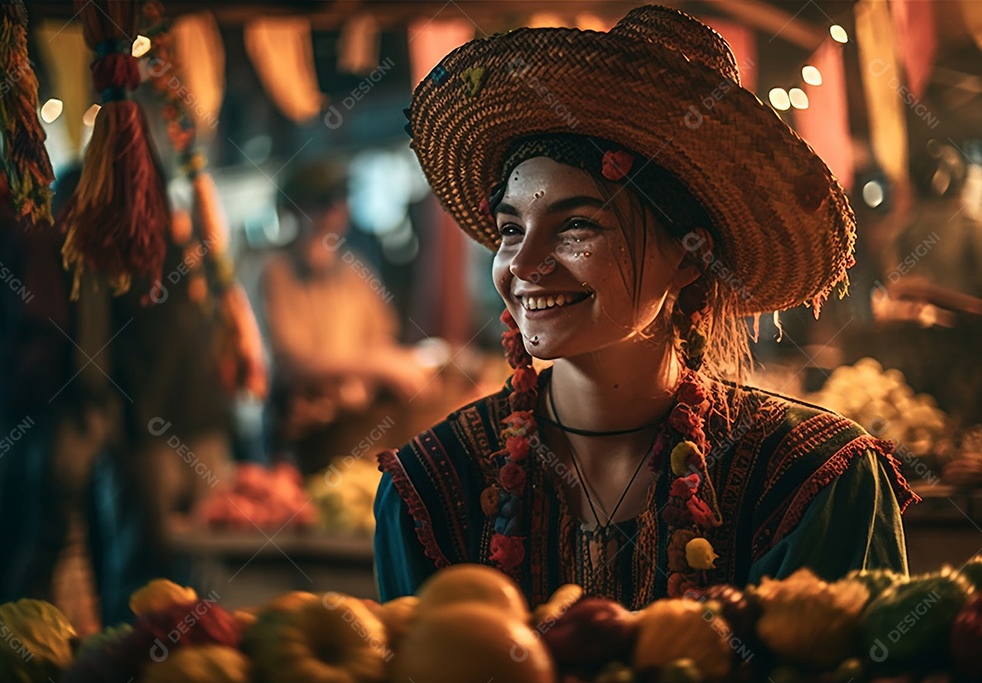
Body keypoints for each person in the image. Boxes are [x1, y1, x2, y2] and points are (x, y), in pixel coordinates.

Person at [374, 5, 917, 608]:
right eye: (509, 229)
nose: (524, 264)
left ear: (689, 257)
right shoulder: (432, 485)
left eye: (576, 225)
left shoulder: (811, 482)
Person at [261, 158, 432, 468]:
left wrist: (384, 367)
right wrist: (376, 365)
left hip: (354, 423)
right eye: (323, 203)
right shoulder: (276, 274)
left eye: (340, 201)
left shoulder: (354, 268)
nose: (335, 212)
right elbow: (294, 360)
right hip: (302, 435)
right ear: (292, 210)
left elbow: (382, 333)